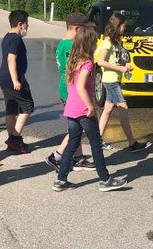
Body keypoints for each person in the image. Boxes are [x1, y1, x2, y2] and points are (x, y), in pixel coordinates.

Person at [53, 26, 127, 192]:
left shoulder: (72, 61)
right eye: (94, 42)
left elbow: (71, 84)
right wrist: (90, 106)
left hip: (71, 108)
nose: (96, 45)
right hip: (83, 111)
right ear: (88, 44)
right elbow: (80, 87)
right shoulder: (86, 63)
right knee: (96, 143)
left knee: (72, 143)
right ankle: (105, 180)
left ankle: (61, 180)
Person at [45, 12, 95, 172]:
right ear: (77, 29)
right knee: (77, 128)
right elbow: (75, 70)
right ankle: (56, 156)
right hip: (72, 91)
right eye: (84, 30)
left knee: (76, 126)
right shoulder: (71, 46)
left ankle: (78, 158)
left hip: (67, 88)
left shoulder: (62, 43)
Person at [97, 13, 151, 153]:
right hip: (111, 81)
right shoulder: (108, 42)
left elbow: (115, 60)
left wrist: (125, 67)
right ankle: (132, 143)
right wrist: (120, 68)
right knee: (123, 108)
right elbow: (101, 61)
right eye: (123, 25)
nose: (125, 28)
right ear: (117, 26)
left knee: (108, 108)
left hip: (115, 79)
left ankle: (97, 139)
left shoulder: (116, 42)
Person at [0, 10, 35, 153]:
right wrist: (16, 80)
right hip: (12, 79)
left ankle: (12, 141)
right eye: (26, 23)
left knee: (11, 109)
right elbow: (11, 59)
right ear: (20, 24)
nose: (27, 26)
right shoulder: (16, 39)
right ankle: (14, 138)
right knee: (28, 106)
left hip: (4, 78)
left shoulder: (7, 37)